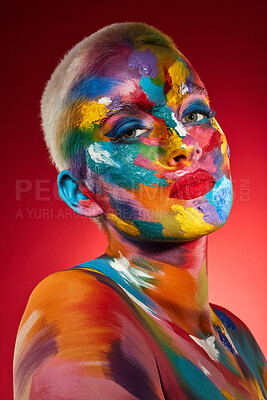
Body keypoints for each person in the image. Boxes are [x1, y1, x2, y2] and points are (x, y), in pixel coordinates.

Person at [13, 22, 266, 400]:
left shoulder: (238, 339)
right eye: (130, 130)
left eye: (195, 113)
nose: (184, 144)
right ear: (82, 192)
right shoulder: (73, 305)